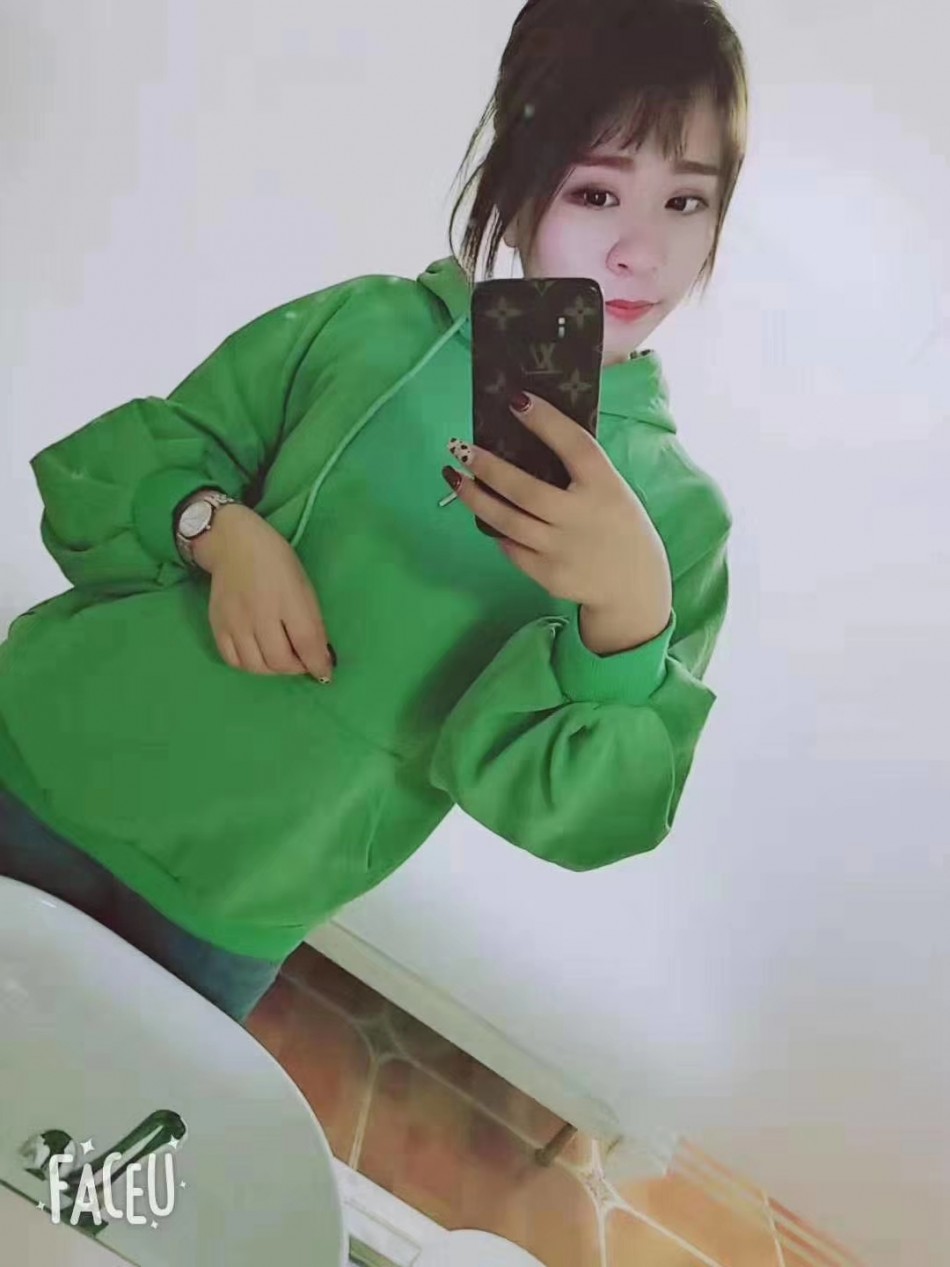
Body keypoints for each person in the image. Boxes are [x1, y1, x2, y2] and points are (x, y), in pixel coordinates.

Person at [0, 0, 748, 1023]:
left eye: (686, 202)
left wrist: (626, 625)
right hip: (42, 757)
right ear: (518, 186)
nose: (640, 252)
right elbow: (113, 471)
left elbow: (588, 816)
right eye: (595, 190)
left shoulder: (675, 525)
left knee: (96, 1127)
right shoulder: (369, 325)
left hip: (237, 906)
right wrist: (216, 528)